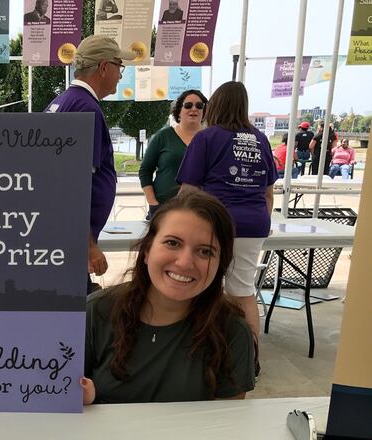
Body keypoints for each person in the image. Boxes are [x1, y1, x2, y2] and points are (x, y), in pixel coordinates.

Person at [81, 191, 255, 404]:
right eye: (173, 243)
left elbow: (227, 419)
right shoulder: (95, 313)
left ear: (221, 265)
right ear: (147, 250)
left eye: (205, 251)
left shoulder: (232, 333)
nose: (184, 262)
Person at [176, 81, 277, 340]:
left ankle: (202, 348)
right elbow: (268, 194)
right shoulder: (261, 139)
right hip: (254, 224)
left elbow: (188, 191)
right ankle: (250, 354)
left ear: (216, 105)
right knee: (243, 292)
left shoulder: (206, 137)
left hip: (215, 222)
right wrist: (261, 221)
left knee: (202, 288)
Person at [44, 35, 135, 292]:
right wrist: (89, 246)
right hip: (71, 240)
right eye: (119, 67)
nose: (120, 75)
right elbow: (73, 186)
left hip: (60, 234)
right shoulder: (86, 109)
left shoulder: (62, 101)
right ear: (104, 67)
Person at [139, 89, 207, 220]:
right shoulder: (163, 136)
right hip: (163, 209)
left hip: (198, 212)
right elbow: (145, 171)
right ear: (178, 111)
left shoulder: (209, 139)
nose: (194, 109)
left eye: (199, 105)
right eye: (188, 105)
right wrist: (153, 204)